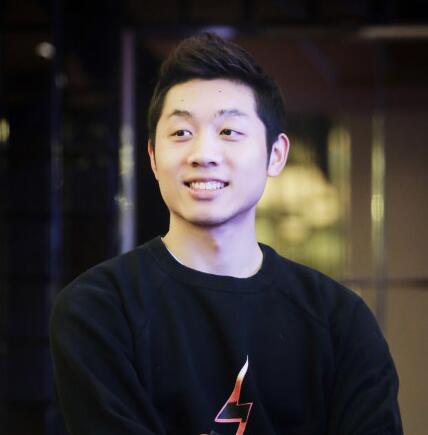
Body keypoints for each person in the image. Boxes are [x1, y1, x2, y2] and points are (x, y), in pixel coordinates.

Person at [50, 32, 403, 435]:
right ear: (152, 156)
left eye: (229, 131)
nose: (203, 154)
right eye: (181, 133)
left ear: (275, 155)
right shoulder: (99, 310)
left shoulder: (340, 321)